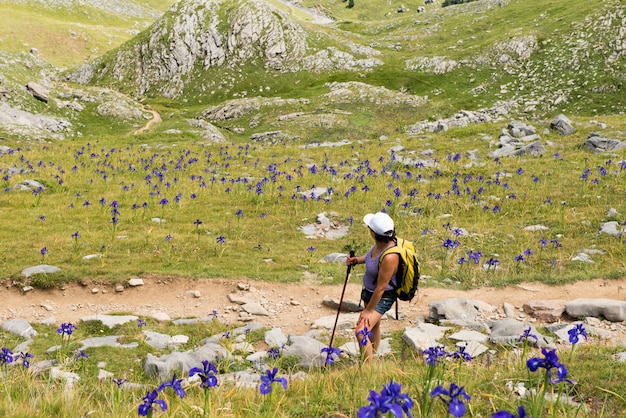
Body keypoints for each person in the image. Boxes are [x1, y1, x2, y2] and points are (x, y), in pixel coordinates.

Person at [346, 212, 399, 361]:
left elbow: (381, 288)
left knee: (361, 331)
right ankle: (373, 354)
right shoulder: (379, 246)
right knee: (374, 326)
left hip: (382, 297)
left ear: (374, 233)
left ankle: (368, 369)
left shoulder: (390, 257)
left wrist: (368, 311)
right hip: (369, 293)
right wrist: (357, 260)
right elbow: (371, 258)